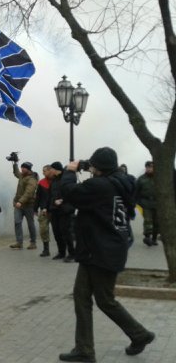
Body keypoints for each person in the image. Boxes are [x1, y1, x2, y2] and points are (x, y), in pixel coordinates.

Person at [59, 147, 155, 362]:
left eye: (93, 166)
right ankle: (84, 349)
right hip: (108, 248)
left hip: (100, 251)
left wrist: (70, 170)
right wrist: (88, 166)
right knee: (83, 297)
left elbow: (69, 192)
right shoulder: (123, 182)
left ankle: (139, 334)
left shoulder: (99, 186)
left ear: (99, 167)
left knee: (105, 300)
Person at [49, 161, 76, 262]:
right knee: (57, 232)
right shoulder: (54, 181)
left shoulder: (66, 179)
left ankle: (72, 253)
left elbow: (71, 192)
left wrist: (62, 200)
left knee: (66, 232)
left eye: (51, 169)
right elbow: (51, 195)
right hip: (54, 210)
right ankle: (61, 252)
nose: (50, 171)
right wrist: (50, 206)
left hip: (65, 209)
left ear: (55, 169)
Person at [10, 161, 38, 250]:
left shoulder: (32, 179)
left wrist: (20, 201)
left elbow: (29, 192)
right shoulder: (22, 175)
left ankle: (33, 242)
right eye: (21, 167)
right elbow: (16, 173)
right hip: (18, 204)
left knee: (30, 224)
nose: (22, 169)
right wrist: (14, 163)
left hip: (28, 205)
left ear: (28, 169)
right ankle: (19, 242)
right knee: (17, 222)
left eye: (24, 168)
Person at [135, 161, 158, 246]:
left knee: (156, 221)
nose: (149, 169)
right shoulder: (141, 179)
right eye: (148, 167)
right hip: (146, 202)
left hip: (157, 203)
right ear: (146, 168)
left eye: (151, 167)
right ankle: (147, 237)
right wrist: (138, 202)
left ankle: (154, 238)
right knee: (148, 220)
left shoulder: (158, 178)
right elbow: (136, 191)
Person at [35, 165, 53, 257]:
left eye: (44, 171)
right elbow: (38, 197)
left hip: (54, 210)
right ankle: (46, 249)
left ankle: (63, 249)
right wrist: (35, 208)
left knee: (59, 230)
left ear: (50, 171)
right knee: (43, 230)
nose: (43, 173)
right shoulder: (41, 183)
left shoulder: (57, 182)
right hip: (43, 210)